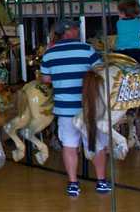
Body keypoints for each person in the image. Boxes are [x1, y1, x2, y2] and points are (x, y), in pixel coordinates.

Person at [39, 19, 111, 197]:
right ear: (68, 31)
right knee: (97, 144)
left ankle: (73, 183)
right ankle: (101, 181)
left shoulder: (49, 53)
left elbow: (46, 79)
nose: (77, 31)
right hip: (89, 106)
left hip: (65, 108)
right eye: (75, 28)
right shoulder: (86, 49)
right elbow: (101, 71)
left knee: (70, 146)